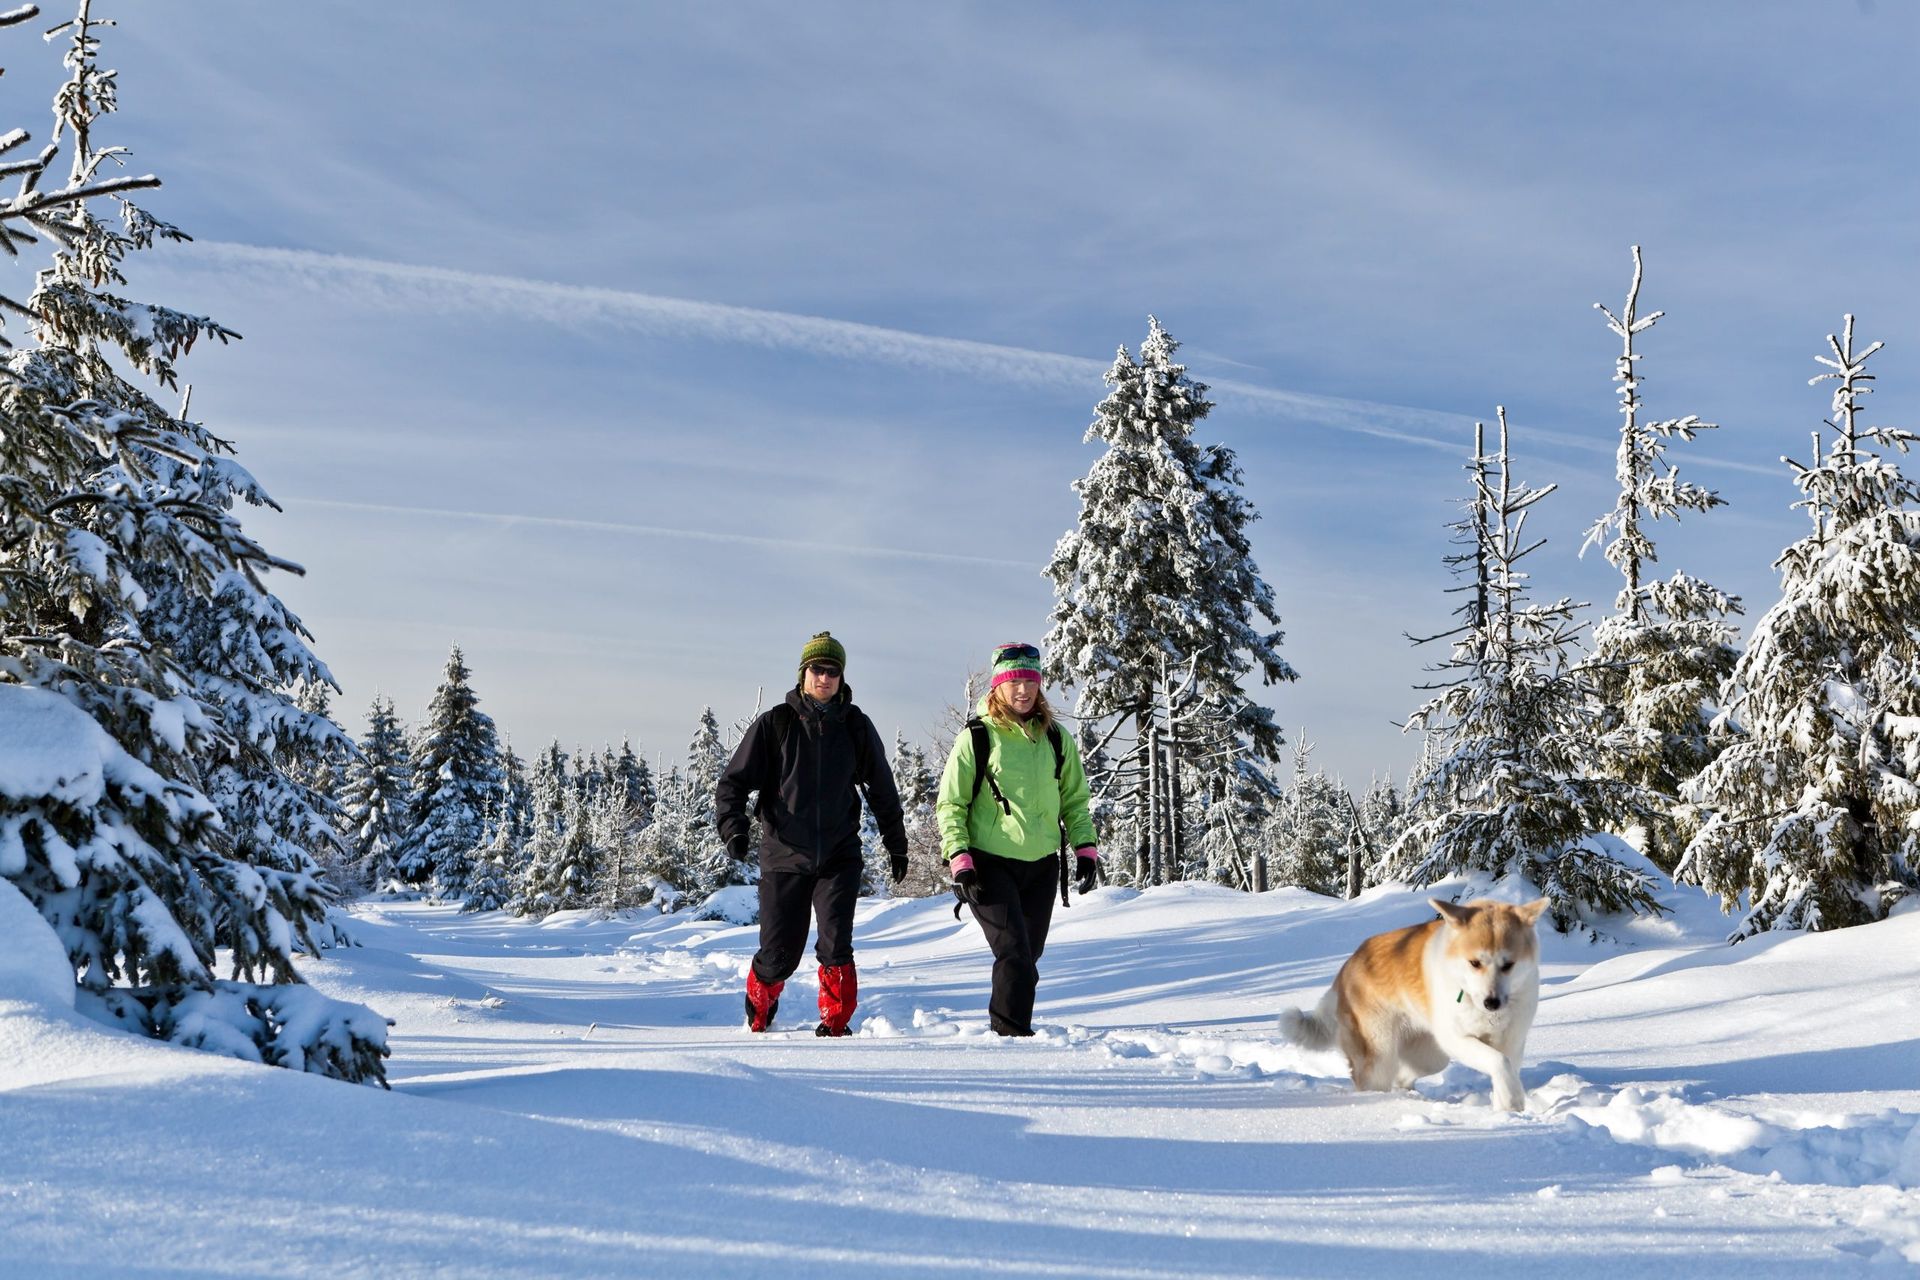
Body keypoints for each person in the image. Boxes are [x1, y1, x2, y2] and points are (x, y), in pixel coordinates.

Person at [716, 631, 909, 1036]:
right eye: (817, 670)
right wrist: (734, 829)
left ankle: (836, 1027)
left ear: (842, 678)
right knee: (778, 955)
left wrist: (897, 844)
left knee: (836, 946)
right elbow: (733, 784)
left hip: (839, 856)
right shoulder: (776, 724)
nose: (824, 678)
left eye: (833, 671)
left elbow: (882, 790)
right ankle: (760, 1000)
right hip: (784, 856)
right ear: (803, 673)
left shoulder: (855, 727)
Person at [936, 641, 1099, 1036]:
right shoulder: (977, 737)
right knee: (1014, 953)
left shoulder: (1057, 739)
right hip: (988, 863)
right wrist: (959, 858)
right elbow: (951, 803)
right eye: (1014, 682)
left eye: (1030, 680)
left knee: (1028, 955)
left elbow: (1075, 801)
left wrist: (1086, 849)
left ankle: (1011, 1031)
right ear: (997, 687)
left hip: (1042, 865)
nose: (1023, 690)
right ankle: (1011, 1037)